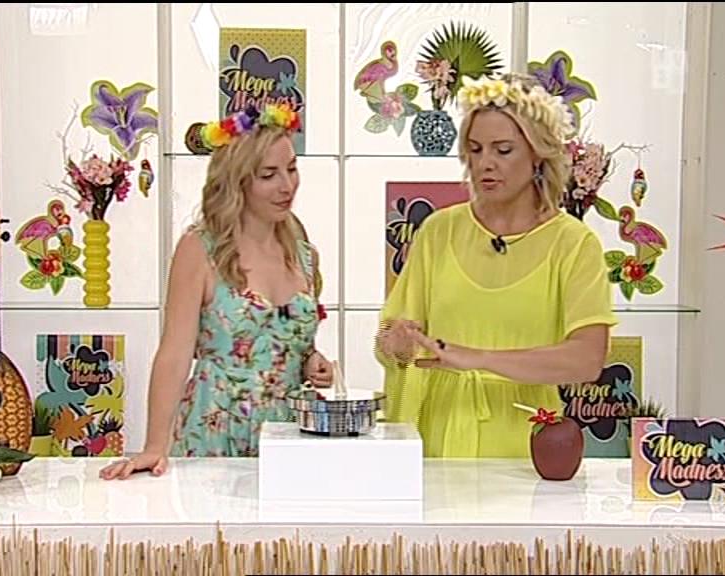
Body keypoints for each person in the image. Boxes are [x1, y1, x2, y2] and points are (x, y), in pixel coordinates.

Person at [375, 73, 618, 459]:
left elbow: (587, 360)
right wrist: (399, 344)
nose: (485, 164)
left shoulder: (573, 244)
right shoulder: (439, 231)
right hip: (439, 434)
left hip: (529, 440)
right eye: (475, 149)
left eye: (503, 150)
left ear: (537, 153)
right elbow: (392, 337)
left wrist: (477, 359)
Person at [102, 103, 333, 479]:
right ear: (237, 181)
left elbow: (281, 340)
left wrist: (311, 362)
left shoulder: (303, 251)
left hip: (290, 436)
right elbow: (174, 354)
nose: (287, 186)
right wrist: (155, 446)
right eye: (268, 175)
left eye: (291, 169)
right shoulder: (200, 249)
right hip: (215, 432)